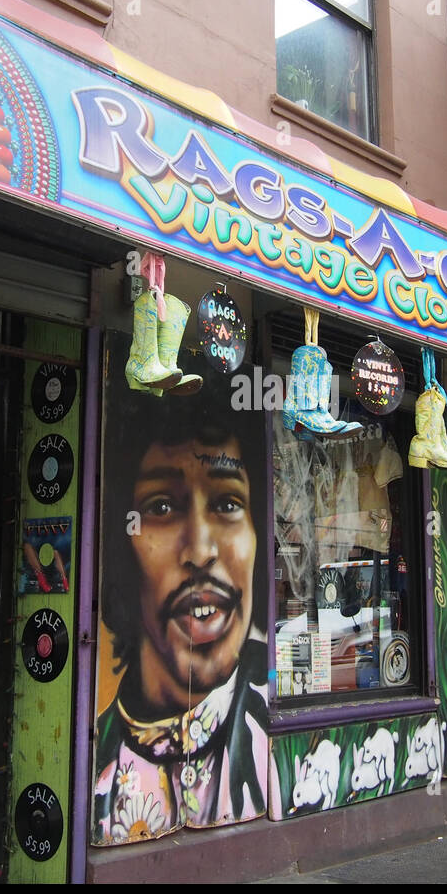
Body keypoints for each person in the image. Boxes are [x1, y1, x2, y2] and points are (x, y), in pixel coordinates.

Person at [92, 349, 269, 845]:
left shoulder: (275, 730)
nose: (201, 550)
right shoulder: (95, 761)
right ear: (120, 542)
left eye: (228, 503)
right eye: (162, 505)